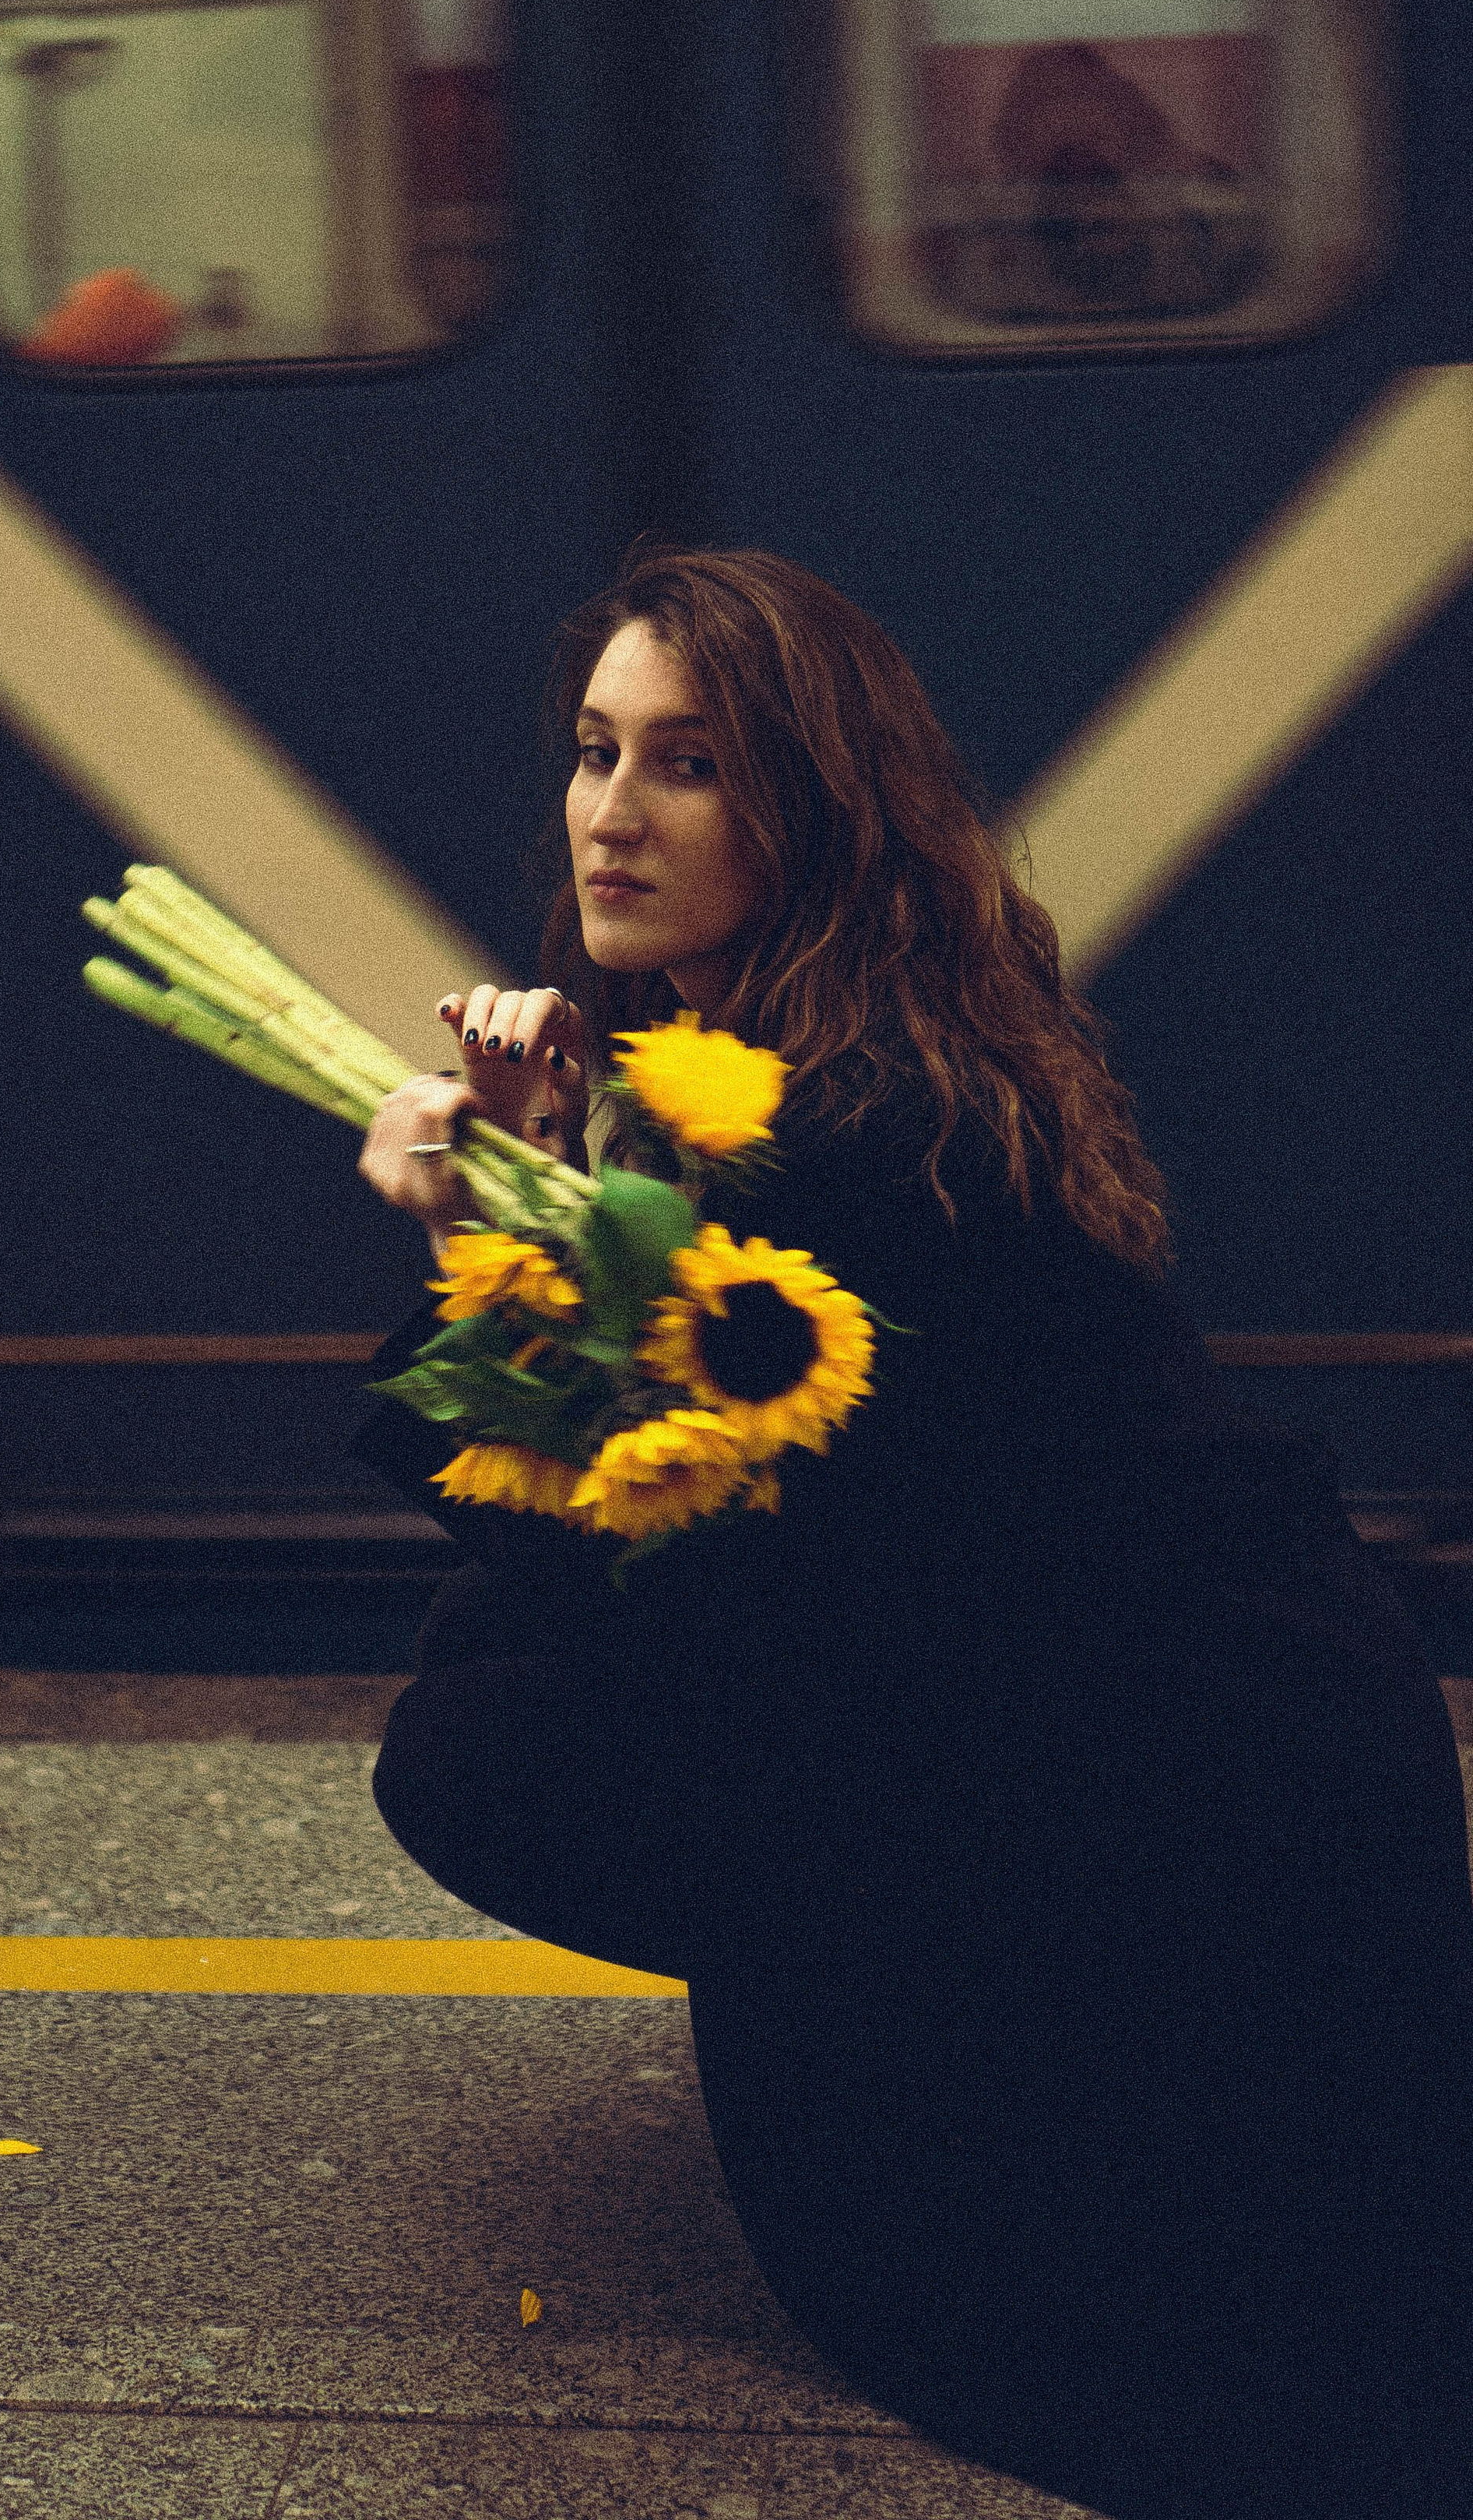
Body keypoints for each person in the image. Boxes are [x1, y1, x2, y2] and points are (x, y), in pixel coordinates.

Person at [349, 543, 1473, 2520]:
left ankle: (935, 2019)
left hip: (1155, 1845)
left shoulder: (821, 1135)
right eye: (593, 751)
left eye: (685, 766)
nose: (609, 815)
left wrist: (477, 1229)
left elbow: (621, 1542)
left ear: (811, 808)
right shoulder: (871, 1046)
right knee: (512, 1674)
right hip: (1233, 1747)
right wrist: (546, 1202)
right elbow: (692, 1505)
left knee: (482, 1733)